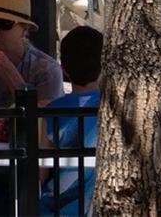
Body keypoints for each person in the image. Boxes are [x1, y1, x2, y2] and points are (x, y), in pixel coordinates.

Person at [39, 27, 103, 216]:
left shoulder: (53, 111)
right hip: (94, 204)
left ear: (64, 69)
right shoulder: (109, 108)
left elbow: (42, 171)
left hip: (54, 206)